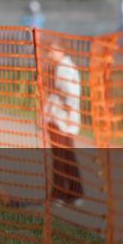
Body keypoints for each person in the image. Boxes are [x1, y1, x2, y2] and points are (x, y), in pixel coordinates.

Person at [43, 42, 84, 207]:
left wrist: (67, 114)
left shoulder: (63, 68)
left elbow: (70, 95)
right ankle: (75, 193)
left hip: (61, 121)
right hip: (61, 119)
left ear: (60, 51)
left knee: (60, 158)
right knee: (67, 157)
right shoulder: (65, 67)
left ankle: (59, 195)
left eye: (51, 51)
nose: (49, 55)